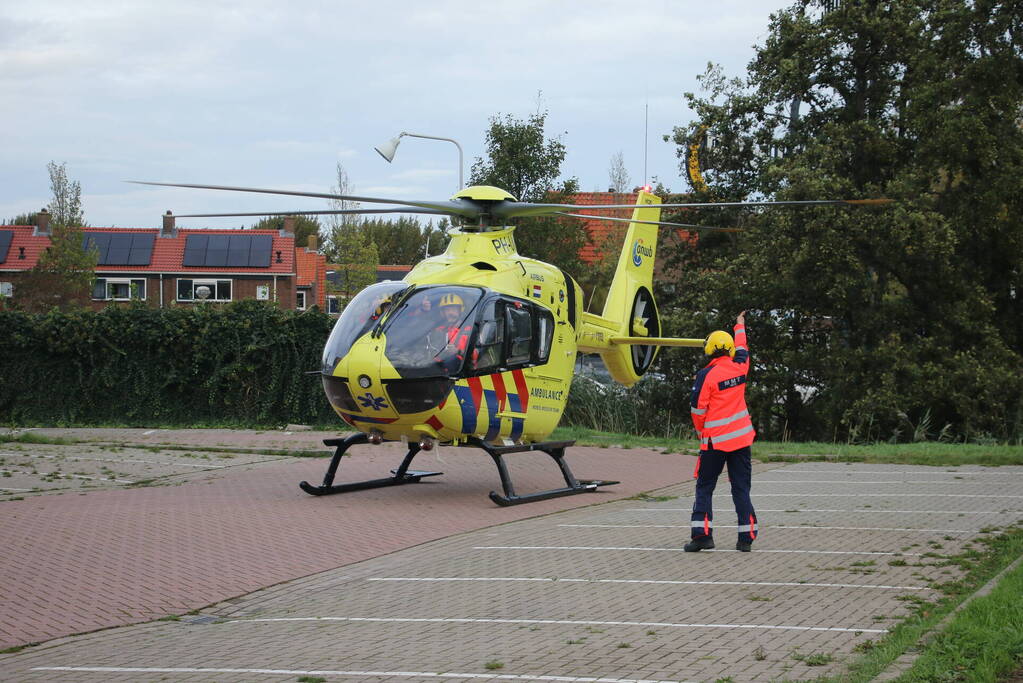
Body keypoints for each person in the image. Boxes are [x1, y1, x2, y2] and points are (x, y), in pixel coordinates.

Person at [685, 310, 758, 553]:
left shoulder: (706, 375)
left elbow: (697, 409)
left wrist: (700, 432)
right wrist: (739, 325)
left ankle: (702, 536)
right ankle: (745, 539)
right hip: (741, 440)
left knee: (705, 487)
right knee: (741, 488)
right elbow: (743, 347)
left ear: (709, 350)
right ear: (727, 349)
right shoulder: (740, 367)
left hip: (714, 443)